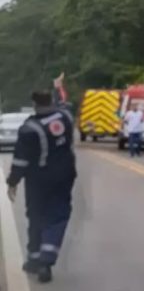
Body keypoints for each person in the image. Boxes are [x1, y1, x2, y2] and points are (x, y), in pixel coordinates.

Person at [6, 90, 77, 283]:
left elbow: (20, 161)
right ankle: (45, 262)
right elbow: (65, 104)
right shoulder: (65, 116)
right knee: (57, 216)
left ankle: (34, 259)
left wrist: (12, 182)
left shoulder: (29, 128)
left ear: (34, 104)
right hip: (64, 177)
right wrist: (58, 88)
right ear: (51, 101)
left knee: (36, 216)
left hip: (38, 181)